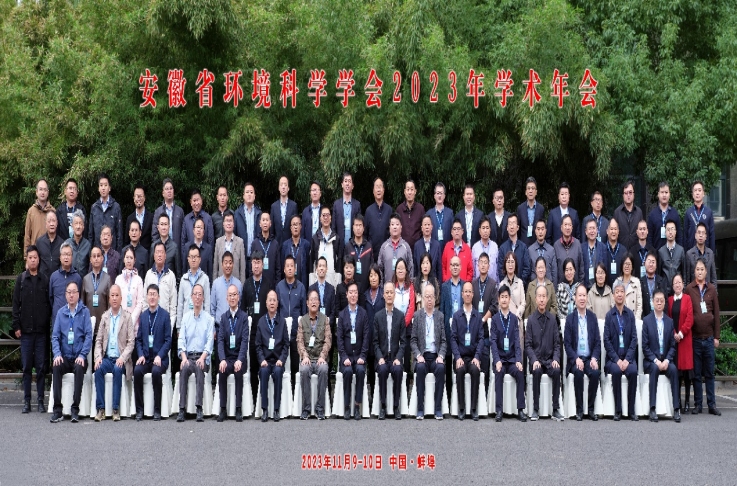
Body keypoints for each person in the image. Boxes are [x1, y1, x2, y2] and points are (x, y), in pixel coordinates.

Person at [12, 245, 51, 413]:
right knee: (27, 367)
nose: (33, 260)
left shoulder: (45, 280)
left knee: (41, 367)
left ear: (39, 260)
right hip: (26, 331)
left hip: (41, 332)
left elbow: (49, 304)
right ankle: (27, 400)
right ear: (27, 260)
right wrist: (16, 325)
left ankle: (41, 400)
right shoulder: (21, 280)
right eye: (30, 258)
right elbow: (15, 305)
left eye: (35, 257)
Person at [49, 281, 92, 423]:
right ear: (66, 295)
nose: (71, 295)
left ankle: (75, 409)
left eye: (74, 292)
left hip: (79, 356)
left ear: (78, 294)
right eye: (69, 292)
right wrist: (57, 354)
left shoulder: (84, 312)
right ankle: (57, 410)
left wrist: (82, 355)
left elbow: (88, 336)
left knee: (79, 368)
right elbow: (55, 336)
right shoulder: (61, 313)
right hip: (65, 357)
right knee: (56, 366)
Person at [685, 258, 721, 416]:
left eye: (702, 269)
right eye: (697, 269)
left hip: (709, 338)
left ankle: (712, 404)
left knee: (710, 373)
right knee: (697, 374)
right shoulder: (689, 289)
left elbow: (717, 314)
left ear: (706, 272)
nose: (699, 272)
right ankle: (698, 404)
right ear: (694, 272)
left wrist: (717, 336)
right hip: (695, 338)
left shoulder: (711, 289)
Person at [93, 284, 135, 422]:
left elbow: (131, 343)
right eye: (112, 295)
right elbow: (98, 340)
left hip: (120, 359)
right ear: (109, 299)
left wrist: (122, 358)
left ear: (121, 298)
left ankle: (115, 409)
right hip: (107, 358)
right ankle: (101, 409)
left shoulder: (127, 317)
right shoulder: (105, 317)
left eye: (117, 295)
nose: (115, 298)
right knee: (98, 369)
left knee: (117, 369)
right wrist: (98, 357)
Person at [133, 284, 173, 421]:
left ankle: (157, 409)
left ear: (158, 297)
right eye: (150, 294)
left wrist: (160, 356)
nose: (152, 297)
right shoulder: (143, 316)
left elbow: (168, 341)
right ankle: (139, 409)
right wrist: (140, 355)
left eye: (154, 294)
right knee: (137, 371)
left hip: (159, 359)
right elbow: (138, 340)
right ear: (146, 297)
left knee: (156, 372)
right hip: (146, 358)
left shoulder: (165, 316)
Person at [176, 284, 215, 423]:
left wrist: (203, 358)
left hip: (202, 357)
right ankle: (182, 409)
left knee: (199, 367)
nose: (197, 297)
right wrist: (183, 358)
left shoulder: (209, 319)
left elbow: (210, 342)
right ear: (191, 297)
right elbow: (181, 340)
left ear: (203, 298)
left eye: (200, 294)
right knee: (184, 367)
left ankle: (199, 407)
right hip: (189, 357)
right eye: (195, 294)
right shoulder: (186, 318)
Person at [525, 285, 564, 421]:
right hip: (537, 360)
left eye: (544, 296)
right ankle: (535, 409)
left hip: (549, 360)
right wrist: (534, 360)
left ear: (547, 299)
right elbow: (528, 345)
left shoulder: (552, 320)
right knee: (536, 371)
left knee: (557, 370)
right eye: (539, 296)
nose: (541, 299)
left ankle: (555, 408)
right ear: (535, 299)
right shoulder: (531, 320)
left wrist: (556, 359)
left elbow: (557, 344)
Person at [642, 288, 681, 422]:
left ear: (665, 303)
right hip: (651, 361)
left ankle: (676, 408)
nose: (659, 303)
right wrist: (656, 361)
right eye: (657, 300)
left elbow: (673, 346)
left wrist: (667, 361)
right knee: (654, 369)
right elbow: (645, 347)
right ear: (652, 302)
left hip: (665, 360)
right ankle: (652, 408)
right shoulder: (646, 321)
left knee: (674, 370)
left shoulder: (670, 322)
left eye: (661, 301)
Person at [564, 284, 601, 421]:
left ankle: (590, 409)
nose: (582, 298)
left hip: (589, 358)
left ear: (587, 297)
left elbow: (597, 342)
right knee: (578, 372)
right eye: (579, 295)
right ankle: (579, 410)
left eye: (584, 295)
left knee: (595, 373)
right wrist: (575, 359)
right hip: (576, 359)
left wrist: (594, 358)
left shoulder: (592, 317)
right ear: (575, 298)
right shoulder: (570, 319)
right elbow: (567, 344)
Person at [490, 285, 527, 422]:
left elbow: (517, 342)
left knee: (520, 372)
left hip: (511, 359)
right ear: (498, 299)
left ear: (510, 299)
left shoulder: (514, 319)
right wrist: (497, 360)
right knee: (499, 373)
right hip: (500, 359)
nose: (504, 300)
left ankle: (520, 409)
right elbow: (493, 342)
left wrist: (518, 360)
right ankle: (499, 410)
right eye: (502, 297)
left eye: (506, 297)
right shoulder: (495, 319)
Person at [603, 281, 639, 421]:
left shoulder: (630, 315)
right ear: (613, 295)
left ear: (624, 295)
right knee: (617, 372)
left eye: (621, 292)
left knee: (633, 371)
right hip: (614, 359)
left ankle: (631, 410)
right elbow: (606, 341)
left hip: (628, 358)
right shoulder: (609, 316)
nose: (619, 294)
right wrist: (617, 360)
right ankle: (618, 410)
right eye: (617, 292)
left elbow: (634, 339)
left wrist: (627, 359)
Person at [411, 284, 447, 420]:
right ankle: (420, 408)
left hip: (435, 355)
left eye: (431, 296)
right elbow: (413, 340)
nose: (429, 299)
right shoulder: (418, 316)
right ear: (423, 298)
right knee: (420, 368)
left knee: (441, 368)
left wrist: (441, 356)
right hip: (423, 356)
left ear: (435, 297)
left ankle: (438, 408)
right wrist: (418, 355)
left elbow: (443, 341)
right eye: (427, 296)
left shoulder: (440, 316)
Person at [450, 282, 484, 421]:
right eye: (466, 292)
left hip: (473, 357)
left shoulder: (478, 316)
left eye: (470, 291)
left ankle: (474, 408)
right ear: (462, 294)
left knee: (475, 371)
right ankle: (462, 407)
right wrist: (457, 357)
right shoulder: (457, 316)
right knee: (460, 371)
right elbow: (453, 339)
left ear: (473, 294)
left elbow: (481, 339)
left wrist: (477, 357)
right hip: (461, 357)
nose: (468, 294)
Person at [215, 284, 249, 422]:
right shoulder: (224, 318)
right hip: (228, 358)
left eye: (235, 294)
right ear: (227, 298)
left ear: (238, 297)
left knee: (238, 370)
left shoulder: (244, 317)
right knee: (222, 370)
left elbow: (245, 341)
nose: (232, 297)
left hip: (240, 359)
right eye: (230, 295)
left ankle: (238, 408)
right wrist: (222, 359)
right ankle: (223, 408)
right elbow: (220, 340)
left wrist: (240, 359)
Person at [296, 290, 331, 420]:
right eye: (311, 299)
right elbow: (299, 341)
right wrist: (304, 356)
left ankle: (320, 408)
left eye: (316, 299)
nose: (314, 302)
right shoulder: (302, 320)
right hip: (308, 359)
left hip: (320, 358)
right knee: (304, 370)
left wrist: (323, 356)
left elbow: (328, 340)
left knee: (323, 369)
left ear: (319, 302)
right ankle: (306, 408)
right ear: (307, 303)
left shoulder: (325, 319)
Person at [373, 281, 406, 420]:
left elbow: (403, 342)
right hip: (383, 358)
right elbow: (375, 342)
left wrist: (398, 358)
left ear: (394, 294)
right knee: (382, 370)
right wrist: (380, 357)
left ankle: (396, 406)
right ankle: (383, 405)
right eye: (387, 292)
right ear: (383, 295)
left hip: (395, 358)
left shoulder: (400, 316)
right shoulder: (378, 316)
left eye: (391, 292)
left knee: (398, 370)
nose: (389, 295)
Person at [337, 282, 370, 420]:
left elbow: (366, 337)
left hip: (359, 357)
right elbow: (339, 340)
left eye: (355, 292)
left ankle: (357, 405)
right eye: (350, 292)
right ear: (346, 294)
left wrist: (363, 355)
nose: (353, 295)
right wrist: (344, 357)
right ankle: (346, 406)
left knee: (361, 371)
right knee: (348, 372)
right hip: (347, 357)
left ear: (358, 294)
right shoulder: (342, 314)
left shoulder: (363, 313)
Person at [256, 290, 290, 422]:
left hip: (277, 361)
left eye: (274, 300)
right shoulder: (261, 322)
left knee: (278, 372)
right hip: (265, 361)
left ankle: (276, 409)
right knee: (264, 372)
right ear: (266, 303)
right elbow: (258, 345)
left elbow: (286, 344)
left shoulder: (282, 322)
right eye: (269, 300)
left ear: (277, 303)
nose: (272, 303)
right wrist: (261, 360)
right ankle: (264, 409)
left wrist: (281, 359)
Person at [243, 250, 272, 402]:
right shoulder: (247, 284)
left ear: (262, 264)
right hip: (251, 332)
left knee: (265, 366)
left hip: (266, 332)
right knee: (253, 366)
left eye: (258, 262)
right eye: (254, 262)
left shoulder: (268, 283)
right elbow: (243, 309)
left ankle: (265, 400)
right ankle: (254, 400)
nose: (256, 265)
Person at [276, 255, 307, 381]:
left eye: (292, 266)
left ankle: (295, 391)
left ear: (295, 269)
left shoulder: (301, 287)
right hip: (282, 334)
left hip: (296, 334)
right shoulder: (279, 287)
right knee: (281, 366)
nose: (289, 268)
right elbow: (276, 310)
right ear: (284, 269)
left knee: (295, 367)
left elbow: (304, 312)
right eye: (287, 266)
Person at [667, 274, 694, 412]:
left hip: (685, 339)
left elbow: (690, 318)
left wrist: (681, 333)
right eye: (675, 283)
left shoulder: (687, 299)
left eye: (679, 282)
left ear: (683, 284)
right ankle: (677, 400)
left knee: (687, 373)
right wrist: (674, 334)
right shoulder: (670, 300)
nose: (677, 285)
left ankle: (687, 401)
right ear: (672, 286)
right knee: (676, 372)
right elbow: (668, 319)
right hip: (674, 340)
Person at [309, 257, 337, 379]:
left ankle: (328, 386)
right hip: (314, 328)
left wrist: (327, 322)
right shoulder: (311, 288)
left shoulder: (331, 288)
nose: (321, 268)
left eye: (323, 266)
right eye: (319, 266)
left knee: (327, 361)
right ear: (316, 269)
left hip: (327, 328)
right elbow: (309, 310)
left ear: (326, 269)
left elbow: (334, 310)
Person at [440, 256, 464, 398]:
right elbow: (442, 311)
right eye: (452, 265)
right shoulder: (444, 287)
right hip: (448, 331)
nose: (455, 267)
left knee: (460, 362)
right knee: (448, 364)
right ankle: (449, 398)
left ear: (460, 267)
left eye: (457, 265)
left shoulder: (465, 286)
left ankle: (460, 397)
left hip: (462, 330)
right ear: (449, 268)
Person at [177, 245, 212, 340]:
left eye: (196, 257)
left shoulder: (204, 278)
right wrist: (179, 327)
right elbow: (180, 304)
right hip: (186, 322)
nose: (193, 259)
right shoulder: (184, 279)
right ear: (188, 259)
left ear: (200, 259)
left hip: (201, 322)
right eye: (191, 257)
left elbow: (207, 303)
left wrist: (208, 324)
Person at [143, 241, 178, 332]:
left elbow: (173, 304)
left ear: (165, 255)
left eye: (161, 252)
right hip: (150, 321)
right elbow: (144, 300)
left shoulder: (171, 275)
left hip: (165, 322)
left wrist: (170, 326)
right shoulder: (149, 274)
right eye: (157, 252)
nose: (159, 255)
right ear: (154, 255)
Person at [87, 173, 123, 252]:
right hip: (97, 252)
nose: (103, 188)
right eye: (101, 185)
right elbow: (91, 234)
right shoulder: (94, 208)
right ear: (98, 188)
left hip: (112, 252)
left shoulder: (116, 207)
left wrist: (118, 254)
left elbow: (119, 234)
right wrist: (90, 253)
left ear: (109, 188)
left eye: (105, 185)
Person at [49, 242, 83, 327]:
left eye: (68, 254)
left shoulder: (77, 277)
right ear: (60, 257)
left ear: (72, 257)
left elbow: (80, 299)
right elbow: (50, 298)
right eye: (64, 254)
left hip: (73, 321)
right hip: (57, 320)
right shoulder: (54, 277)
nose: (66, 257)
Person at [393, 258, 415, 378]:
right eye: (398, 268)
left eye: (403, 268)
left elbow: (411, 307)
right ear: (395, 270)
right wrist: (397, 324)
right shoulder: (392, 286)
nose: (400, 270)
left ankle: (406, 386)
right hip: (393, 327)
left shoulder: (410, 286)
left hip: (406, 329)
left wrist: (403, 323)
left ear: (406, 270)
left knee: (406, 359)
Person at [82, 246, 112, 334]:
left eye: (98, 256)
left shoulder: (107, 279)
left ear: (102, 258)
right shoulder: (86, 279)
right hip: (88, 325)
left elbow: (110, 304)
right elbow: (83, 303)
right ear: (90, 259)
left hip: (103, 326)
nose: (96, 259)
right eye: (94, 256)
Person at [234, 182, 261, 276]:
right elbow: (234, 236)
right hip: (242, 257)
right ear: (243, 196)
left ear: (254, 196)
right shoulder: (237, 214)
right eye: (247, 192)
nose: (249, 194)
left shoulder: (259, 214)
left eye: (251, 192)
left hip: (257, 257)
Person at [378, 213, 414, 284]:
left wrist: (410, 286)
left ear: (401, 227)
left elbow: (410, 268)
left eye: (397, 224)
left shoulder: (406, 246)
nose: (395, 227)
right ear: (389, 227)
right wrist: (381, 287)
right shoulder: (384, 247)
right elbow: (380, 269)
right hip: (388, 288)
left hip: (403, 288)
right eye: (392, 224)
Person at [116, 247, 145, 335]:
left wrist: (132, 320)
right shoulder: (118, 279)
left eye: (131, 258)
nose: (129, 260)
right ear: (124, 259)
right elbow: (116, 300)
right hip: (120, 323)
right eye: (127, 257)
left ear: (134, 260)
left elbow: (140, 302)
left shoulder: (138, 280)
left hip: (134, 325)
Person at [210, 252, 243, 329]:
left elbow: (240, 306)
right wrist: (213, 328)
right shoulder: (216, 283)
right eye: (226, 263)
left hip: (235, 327)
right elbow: (212, 308)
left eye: (230, 263)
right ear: (222, 264)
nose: (228, 265)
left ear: (233, 264)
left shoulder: (238, 284)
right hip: (219, 326)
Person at [151, 178, 185, 252]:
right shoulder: (158, 212)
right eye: (166, 189)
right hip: (162, 251)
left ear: (173, 191)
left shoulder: (180, 211)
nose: (169, 191)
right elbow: (154, 234)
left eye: (171, 188)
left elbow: (183, 235)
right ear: (163, 193)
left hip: (176, 250)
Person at [213, 210, 246, 283]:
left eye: (230, 221)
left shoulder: (240, 242)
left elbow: (242, 269)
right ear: (223, 224)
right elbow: (215, 268)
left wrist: (242, 285)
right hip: (221, 283)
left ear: (234, 224)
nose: (228, 223)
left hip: (235, 283)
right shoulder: (218, 242)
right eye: (227, 221)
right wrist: (215, 284)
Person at [310, 205, 342, 284]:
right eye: (323, 215)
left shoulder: (336, 239)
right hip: (317, 281)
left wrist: (338, 283)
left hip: (332, 280)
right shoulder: (315, 238)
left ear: (331, 218)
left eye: (328, 215)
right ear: (320, 218)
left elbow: (339, 262)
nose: (326, 218)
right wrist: (312, 283)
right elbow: (312, 262)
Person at [497, 214, 531, 284]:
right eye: (510, 224)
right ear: (507, 228)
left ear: (518, 227)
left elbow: (527, 268)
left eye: (514, 223)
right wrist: (507, 284)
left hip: (520, 286)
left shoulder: (523, 247)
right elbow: (500, 269)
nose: (512, 226)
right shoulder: (502, 248)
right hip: (506, 287)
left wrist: (520, 283)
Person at [647, 182, 682, 250]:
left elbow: (679, 237)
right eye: (662, 192)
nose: (664, 195)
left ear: (669, 194)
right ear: (658, 194)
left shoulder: (674, 213)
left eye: (666, 192)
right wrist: (652, 253)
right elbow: (649, 238)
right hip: (656, 252)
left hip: (673, 253)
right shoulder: (652, 214)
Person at [181, 189, 215, 258]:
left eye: (198, 200)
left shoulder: (208, 218)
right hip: (190, 258)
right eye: (194, 200)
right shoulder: (186, 219)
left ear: (201, 201)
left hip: (204, 257)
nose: (196, 203)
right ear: (191, 202)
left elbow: (211, 241)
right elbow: (183, 241)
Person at [684, 180, 716, 253]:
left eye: (699, 190)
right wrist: (686, 253)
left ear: (703, 193)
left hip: (705, 252)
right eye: (695, 190)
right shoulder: (689, 212)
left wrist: (712, 253)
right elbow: (685, 235)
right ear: (692, 194)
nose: (697, 193)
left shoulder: (708, 212)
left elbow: (712, 234)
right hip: (691, 252)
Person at [281, 214, 312, 290]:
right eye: (293, 224)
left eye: (297, 224)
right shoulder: (285, 245)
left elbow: (308, 267)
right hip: (288, 286)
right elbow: (282, 266)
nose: (295, 227)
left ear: (300, 226)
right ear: (290, 227)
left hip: (302, 285)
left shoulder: (306, 245)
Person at [553, 214, 584, 287]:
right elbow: (555, 271)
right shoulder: (556, 245)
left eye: (569, 225)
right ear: (561, 227)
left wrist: (580, 286)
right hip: (561, 287)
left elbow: (581, 268)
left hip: (576, 287)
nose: (567, 227)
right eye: (565, 225)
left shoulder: (577, 244)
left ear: (572, 227)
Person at [345, 214, 373, 294]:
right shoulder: (348, 246)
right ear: (353, 227)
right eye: (356, 225)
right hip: (352, 291)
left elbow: (372, 267)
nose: (358, 228)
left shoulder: (368, 246)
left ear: (363, 228)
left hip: (366, 289)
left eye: (360, 225)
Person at [612, 180, 643, 251]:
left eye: (630, 192)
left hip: (636, 252)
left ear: (634, 194)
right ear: (623, 195)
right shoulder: (617, 212)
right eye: (626, 193)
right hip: (620, 251)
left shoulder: (639, 212)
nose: (628, 195)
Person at [24, 178, 55, 251]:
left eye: (45, 190)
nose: (43, 192)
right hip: (35, 253)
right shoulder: (31, 211)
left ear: (48, 192)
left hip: (49, 252)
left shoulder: (53, 211)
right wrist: (26, 255)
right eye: (40, 189)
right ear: (36, 192)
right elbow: (27, 235)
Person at [251, 212, 281, 285]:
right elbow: (251, 266)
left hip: (272, 284)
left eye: (267, 220)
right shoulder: (255, 243)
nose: (265, 222)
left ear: (270, 223)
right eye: (263, 220)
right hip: (258, 283)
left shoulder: (275, 244)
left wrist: (277, 285)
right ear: (260, 223)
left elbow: (278, 268)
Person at [332, 172, 362, 245]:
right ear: (342, 184)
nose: (347, 184)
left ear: (353, 186)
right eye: (345, 181)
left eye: (349, 181)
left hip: (353, 244)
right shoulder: (336, 204)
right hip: (339, 245)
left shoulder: (357, 205)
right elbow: (333, 227)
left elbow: (359, 225)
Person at [657, 219, 685, 296]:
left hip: (678, 290)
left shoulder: (681, 250)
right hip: (665, 290)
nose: (670, 232)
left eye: (672, 229)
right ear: (665, 232)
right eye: (668, 229)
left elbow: (684, 272)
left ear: (675, 232)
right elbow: (659, 273)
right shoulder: (661, 251)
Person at [499, 252, 526, 331]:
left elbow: (523, 303)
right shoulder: (502, 284)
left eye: (512, 262)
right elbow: (499, 305)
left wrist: (518, 314)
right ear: (505, 264)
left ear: (516, 264)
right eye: (508, 262)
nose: (510, 265)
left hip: (517, 320)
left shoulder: (520, 283)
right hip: (505, 322)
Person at [149, 213, 181, 279]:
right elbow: (150, 269)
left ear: (169, 226)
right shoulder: (153, 246)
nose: (163, 227)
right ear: (158, 227)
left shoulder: (174, 247)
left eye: (165, 224)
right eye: (162, 224)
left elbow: (178, 273)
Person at [685, 222, 717, 287]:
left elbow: (713, 278)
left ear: (706, 236)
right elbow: (687, 279)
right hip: (694, 291)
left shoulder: (710, 253)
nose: (701, 235)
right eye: (699, 233)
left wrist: (714, 291)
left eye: (703, 233)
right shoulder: (689, 254)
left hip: (707, 291)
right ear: (695, 235)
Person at [441, 219, 474, 283]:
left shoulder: (467, 249)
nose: (456, 231)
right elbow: (443, 266)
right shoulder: (447, 247)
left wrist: (466, 284)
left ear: (462, 231)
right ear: (451, 232)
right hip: (449, 285)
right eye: (454, 229)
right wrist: (446, 280)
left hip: (463, 286)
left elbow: (470, 270)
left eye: (458, 229)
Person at [516, 177, 545, 247]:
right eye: (528, 188)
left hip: (537, 245)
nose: (530, 191)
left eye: (533, 188)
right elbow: (518, 230)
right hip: (523, 245)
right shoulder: (520, 208)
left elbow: (542, 228)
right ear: (526, 192)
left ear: (536, 192)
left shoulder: (541, 209)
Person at [270, 176, 298, 246]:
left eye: (285, 185)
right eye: (281, 185)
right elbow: (271, 229)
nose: (283, 187)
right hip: (276, 244)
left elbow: (296, 227)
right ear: (278, 188)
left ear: (288, 188)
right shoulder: (274, 206)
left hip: (290, 244)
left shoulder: (294, 206)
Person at [396, 179, 425, 248]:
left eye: (412, 189)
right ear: (404, 192)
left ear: (415, 191)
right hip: (402, 248)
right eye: (408, 189)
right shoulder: (399, 209)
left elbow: (423, 229)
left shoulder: (420, 209)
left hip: (417, 247)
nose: (410, 192)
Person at [124, 185, 153, 251]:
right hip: (132, 254)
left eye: (141, 196)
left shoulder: (151, 217)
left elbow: (153, 239)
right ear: (134, 198)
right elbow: (126, 241)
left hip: (147, 254)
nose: (139, 198)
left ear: (144, 198)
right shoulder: (129, 218)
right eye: (137, 196)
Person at [413, 215, 442, 281]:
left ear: (432, 227)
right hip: (420, 281)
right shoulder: (417, 245)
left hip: (433, 281)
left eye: (428, 225)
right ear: (422, 228)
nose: (427, 227)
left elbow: (439, 268)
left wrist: (439, 284)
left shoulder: (437, 245)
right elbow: (415, 268)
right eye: (425, 225)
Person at [614, 255, 643, 319]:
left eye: (629, 264)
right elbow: (613, 303)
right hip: (620, 319)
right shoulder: (617, 281)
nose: (627, 266)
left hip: (633, 319)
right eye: (625, 264)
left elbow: (639, 305)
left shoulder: (636, 282)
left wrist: (636, 320)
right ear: (622, 266)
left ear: (632, 267)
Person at [528, 220, 557, 285]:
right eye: (538, 229)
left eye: (542, 229)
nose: (540, 232)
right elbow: (528, 272)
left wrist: (553, 288)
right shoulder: (530, 250)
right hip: (534, 287)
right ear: (535, 231)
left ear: (546, 231)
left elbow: (554, 272)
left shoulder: (551, 250)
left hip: (548, 286)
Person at [581, 218, 607, 289]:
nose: (592, 231)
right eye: (590, 228)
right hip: (585, 287)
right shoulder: (581, 248)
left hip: (599, 287)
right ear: (586, 232)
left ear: (597, 230)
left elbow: (605, 269)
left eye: (593, 228)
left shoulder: (603, 248)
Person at [428, 182, 454, 249]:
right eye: (437, 193)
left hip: (447, 248)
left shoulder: (450, 213)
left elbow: (453, 232)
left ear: (444, 196)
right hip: (433, 249)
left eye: (441, 193)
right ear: (434, 196)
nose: (439, 195)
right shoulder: (429, 214)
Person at [602, 219, 626, 287]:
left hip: (620, 289)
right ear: (607, 231)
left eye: (615, 229)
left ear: (618, 231)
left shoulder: (623, 250)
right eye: (611, 229)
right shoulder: (602, 249)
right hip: (605, 288)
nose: (613, 231)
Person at [37, 211, 62, 278]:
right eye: (49, 221)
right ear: (46, 224)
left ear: (57, 223)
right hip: (42, 278)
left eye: (53, 221)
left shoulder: (62, 243)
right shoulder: (39, 242)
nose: (51, 224)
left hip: (57, 279)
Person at [556, 258, 581, 323]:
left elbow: (582, 306)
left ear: (574, 270)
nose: (569, 272)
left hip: (577, 323)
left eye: (571, 269)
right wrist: (564, 321)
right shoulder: (560, 287)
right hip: (563, 323)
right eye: (566, 270)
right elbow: (557, 308)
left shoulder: (579, 287)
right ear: (564, 272)